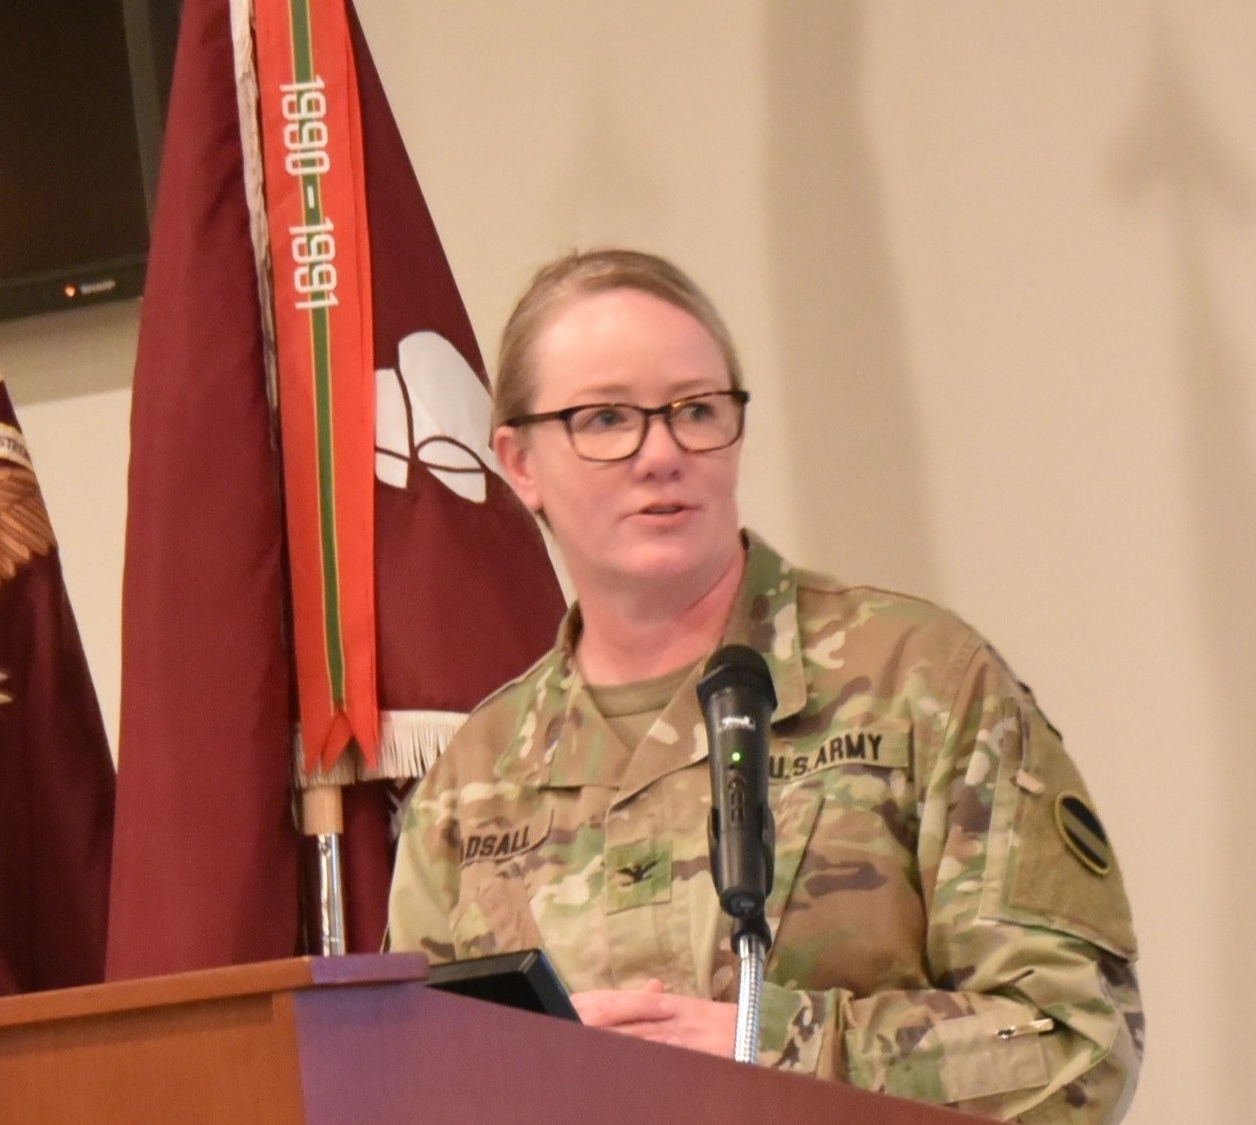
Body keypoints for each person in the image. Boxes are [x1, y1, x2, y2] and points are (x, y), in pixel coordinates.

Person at [387, 249, 1142, 1122]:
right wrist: (530, 1069)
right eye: (604, 419)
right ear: (519, 461)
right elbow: (398, 1086)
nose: (661, 452)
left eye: (697, 410)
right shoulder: (472, 783)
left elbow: (1077, 1038)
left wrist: (776, 1045)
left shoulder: (915, 680)